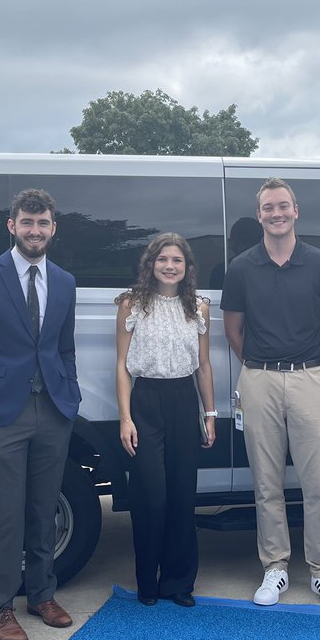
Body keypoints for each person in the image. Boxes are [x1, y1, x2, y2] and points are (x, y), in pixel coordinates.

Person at [0, 188, 81, 640]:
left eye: (42, 223)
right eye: (27, 223)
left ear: (53, 228)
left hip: (54, 408)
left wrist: (72, 392)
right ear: (12, 226)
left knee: (44, 508)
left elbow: (63, 346)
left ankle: (42, 594)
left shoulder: (64, 281)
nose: (34, 230)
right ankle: (0, 607)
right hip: (2, 412)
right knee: (5, 512)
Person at [221, 177, 320, 608]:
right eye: (268, 208)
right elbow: (233, 329)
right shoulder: (241, 266)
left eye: (283, 206)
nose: (276, 214)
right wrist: (261, 368)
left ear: (296, 210)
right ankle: (275, 567)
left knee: (318, 484)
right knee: (266, 483)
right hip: (258, 379)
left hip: (310, 377)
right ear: (259, 215)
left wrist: (312, 370)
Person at [115, 233, 216, 607]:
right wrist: (125, 418)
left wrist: (209, 413)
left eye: (177, 260)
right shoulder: (132, 305)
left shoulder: (199, 309)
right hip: (145, 401)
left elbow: (204, 366)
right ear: (150, 264)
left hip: (182, 399)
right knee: (151, 495)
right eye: (163, 259)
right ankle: (147, 580)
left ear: (187, 268)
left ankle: (179, 583)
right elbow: (122, 367)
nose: (170, 266)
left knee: (181, 495)